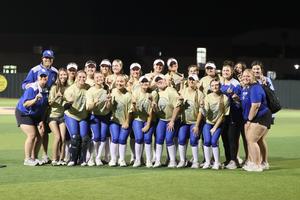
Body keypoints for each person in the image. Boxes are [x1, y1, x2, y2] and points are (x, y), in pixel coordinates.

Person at [21, 50, 58, 164]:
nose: (47, 60)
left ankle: (41, 156)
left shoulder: (55, 71)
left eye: (49, 58)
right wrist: (33, 88)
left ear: (52, 59)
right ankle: (31, 157)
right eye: (45, 58)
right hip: (36, 105)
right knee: (36, 134)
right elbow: (24, 84)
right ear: (42, 58)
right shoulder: (35, 70)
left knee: (44, 132)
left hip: (46, 106)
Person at [15, 69, 50, 166]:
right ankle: (27, 159)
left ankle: (34, 158)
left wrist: (42, 121)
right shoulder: (32, 88)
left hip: (35, 115)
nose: (43, 78)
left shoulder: (47, 89)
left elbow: (44, 107)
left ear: (47, 78)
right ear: (38, 77)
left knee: (39, 136)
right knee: (32, 134)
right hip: (24, 113)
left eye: (45, 77)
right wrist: (35, 99)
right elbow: (25, 104)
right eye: (41, 76)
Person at [240, 69, 272, 172]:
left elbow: (255, 106)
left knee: (251, 140)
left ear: (253, 76)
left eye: (248, 76)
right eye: (244, 76)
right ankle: (257, 162)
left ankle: (257, 165)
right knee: (255, 140)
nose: (245, 77)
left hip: (260, 116)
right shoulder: (248, 87)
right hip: (255, 117)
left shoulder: (255, 88)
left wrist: (249, 120)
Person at [153, 74, 182, 168]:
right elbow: (157, 111)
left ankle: (172, 161)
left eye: (161, 80)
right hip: (162, 120)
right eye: (158, 81)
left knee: (169, 139)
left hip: (171, 119)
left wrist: (172, 121)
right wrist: (155, 107)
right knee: (159, 139)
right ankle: (157, 160)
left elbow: (177, 106)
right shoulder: (156, 93)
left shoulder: (171, 91)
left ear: (165, 81)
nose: (160, 82)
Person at [63, 70, 90, 166]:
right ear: (76, 78)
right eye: (80, 77)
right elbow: (65, 105)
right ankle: (72, 159)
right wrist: (69, 103)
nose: (82, 79)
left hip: (83, 116)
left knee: (84, 138)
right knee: (75, 137)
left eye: (84, 77)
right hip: (71, 115)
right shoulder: (70, 90)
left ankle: (82, 159)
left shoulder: (88, 88)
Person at [177, 74, 204, 169]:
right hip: (184, 122)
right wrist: (180, 103)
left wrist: (197, 125)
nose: (191, 81)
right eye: (190, 79)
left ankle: (196, 161)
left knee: (193, 140)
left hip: (194, 122)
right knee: (181, 139)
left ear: (197, 82)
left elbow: (201, 111)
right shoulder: (182, 92)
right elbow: (177, 108)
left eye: (193, 80)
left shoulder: (200, 94)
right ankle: (182, 160)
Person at [202, 78, 230, 170]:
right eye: (213, 85)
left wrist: (215, 127)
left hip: (218, 124)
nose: (215, 87)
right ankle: (207, 162)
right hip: (208, 123)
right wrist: (202, 108)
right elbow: (205, 113)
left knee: (214, 141)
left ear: (220, 86)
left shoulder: (225, 98)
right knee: (206, 141)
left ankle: (217, 163)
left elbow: (223, 116)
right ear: (210, 87)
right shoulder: (207, 97)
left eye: (217, 85)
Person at [220, 60, 243, 169]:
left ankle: (234, 160)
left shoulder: (236, 83)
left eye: (228, 70)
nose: (225, 72)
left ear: (232, 71)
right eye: (224, 70)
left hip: (234, 115)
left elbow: (238, 100)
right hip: (225, 116)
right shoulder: (222, 82)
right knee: (225, 138)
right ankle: (228, 159)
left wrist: (233, 95)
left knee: (232, 138)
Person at [131, 75, 158, 167]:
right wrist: (134, 105)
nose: (145, 83)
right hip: (138, 118)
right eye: (143, 82)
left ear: (149, 83)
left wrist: (148, 125)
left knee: (147, 139)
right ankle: (138, 160)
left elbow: (152, 112)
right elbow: (134, 111)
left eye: (146, 82)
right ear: (139, 83)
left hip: (149, 119)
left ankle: (149, 160)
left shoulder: (153, 93)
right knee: (138, 138)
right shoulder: (135, 92)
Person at [86, 72, 111, 166]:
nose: (99, 79)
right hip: (94, 116)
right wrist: (94, 103)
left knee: (103, 136)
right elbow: (88, 108)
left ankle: (98, 158)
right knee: (96, 137)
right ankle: (91, 158)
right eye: (97, 77)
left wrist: (109, 102)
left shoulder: (106, 90)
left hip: (104, 116)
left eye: (101, 77)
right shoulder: (90, 91)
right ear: (94, 79)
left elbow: (108, 108)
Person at [108, 75, 132, 167]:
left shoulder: (128, 95)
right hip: (114, 120)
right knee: (115, 138)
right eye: (117, 81)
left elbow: (130, 111)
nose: (119, 83)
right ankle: (113, 159)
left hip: (125, 121)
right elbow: (108, 108)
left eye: (121, 81)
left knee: (122, 139)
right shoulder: (112, 92)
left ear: (125, 83)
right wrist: (108, 102)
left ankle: (121, 159)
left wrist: (127, 122)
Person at [48, 68, 68, 166]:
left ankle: (62, 159)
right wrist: (57, 96)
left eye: (65, 74)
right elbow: (50, 103)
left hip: (62, 116)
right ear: (58, 76)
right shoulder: (54, 87)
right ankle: (54, 159)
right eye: (61, 75)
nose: (63, 76)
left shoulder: (68, 87)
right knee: (57, 137)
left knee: (63, 138)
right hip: (53, 116)